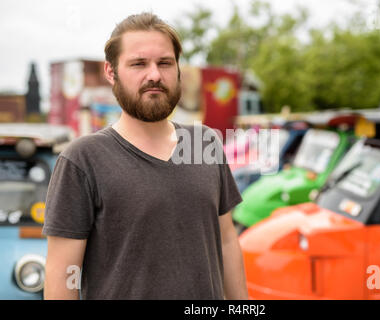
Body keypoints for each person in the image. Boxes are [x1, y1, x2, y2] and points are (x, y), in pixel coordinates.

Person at [43, 12, 248, 300]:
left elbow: (226, 241)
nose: (154, 75)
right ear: (111, 72)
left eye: (165, 63)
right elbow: (62, 273)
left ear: (177, 69)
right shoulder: (82, 160)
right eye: (138, 63)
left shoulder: (204, 143)